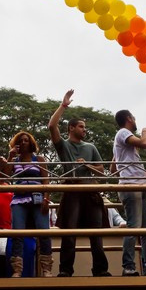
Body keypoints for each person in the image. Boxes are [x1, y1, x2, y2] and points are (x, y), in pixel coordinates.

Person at [48, 89, 110, 277]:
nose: (85, 130)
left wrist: (88, 166)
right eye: (81, 126)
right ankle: (66, 270)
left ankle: (100, 270)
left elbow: (102, 171)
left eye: (85, 127)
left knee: (96, 233)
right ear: (72, 128)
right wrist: (63, 105)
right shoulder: (64, 145)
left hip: (90, 191)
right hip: (72, 189)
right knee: (69, 232)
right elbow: (52, 126)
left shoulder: (90, 147)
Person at [112, 109, 146, 276]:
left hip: (138, 186)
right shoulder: (123, 132)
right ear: (128, 118)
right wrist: (144, 132)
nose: (135, 120)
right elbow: (144, 143)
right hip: (131, 186)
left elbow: (113, 166)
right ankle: (129, 266)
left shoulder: (121, 140)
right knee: (134, 227)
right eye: (133, 117)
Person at [4, 131, 53, 277]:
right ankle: (17, 269)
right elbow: (6, 176)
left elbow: (46, 181)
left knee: (44, 232)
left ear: (31, 143)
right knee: (18, 233)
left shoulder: (39, 159)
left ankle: (46, 268)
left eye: (26, 140)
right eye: (21, 141)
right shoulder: (15, 160)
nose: (24, 142)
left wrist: (46, 198)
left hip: (37, 198)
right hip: (19, 199)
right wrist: (10, 156)